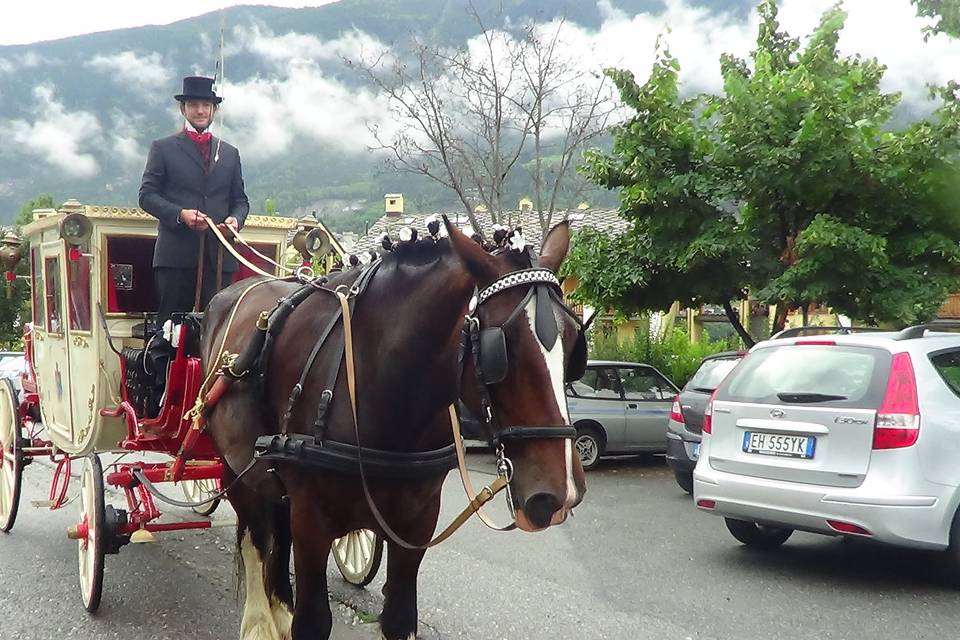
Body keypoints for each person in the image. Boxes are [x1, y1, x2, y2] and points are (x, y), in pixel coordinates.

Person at [139, 75, 250, 328]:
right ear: (183, 109)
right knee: (170, 332)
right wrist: (181, 214)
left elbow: (240, 200)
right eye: (194, 105)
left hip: (219, 259)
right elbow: (147, 196)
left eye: (206, 105)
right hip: (176, 259)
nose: (200, 111)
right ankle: (164, 368)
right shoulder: (163, 148)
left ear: (214, 109)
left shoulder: (230, 153)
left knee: (218, 332)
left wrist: (235, 220)